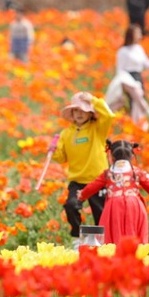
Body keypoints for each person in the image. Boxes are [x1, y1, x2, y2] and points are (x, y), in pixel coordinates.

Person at [52, 92, 115, 249]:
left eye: (83, 110)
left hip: (98, 180)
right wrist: (53, 150)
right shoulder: (66, 134)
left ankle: (102, 243)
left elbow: (109, 115)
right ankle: (77, 237)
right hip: (77, 181)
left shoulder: (98, 129)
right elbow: (61, 158)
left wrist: (93, 100)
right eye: (76, 111)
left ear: (90, 113)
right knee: (71, 206)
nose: (79, 114)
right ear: (71, 114)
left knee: (100, 212)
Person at [78, 140, 149, 244]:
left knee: (114, 236)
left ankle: (115, 257)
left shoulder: (108, 173)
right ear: (132, 157)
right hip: (134, 205)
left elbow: (92, 186)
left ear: (111, 156)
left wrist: (82, 195)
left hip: (114, 206)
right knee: (135, 235)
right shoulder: (136, 172)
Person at [116, 24, 149, 96]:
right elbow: (119, 69)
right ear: (131, 35)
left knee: (139, 98)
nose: (140, 35)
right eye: (138, 33)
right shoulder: (123, 51)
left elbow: (145, 62)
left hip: (138, 77)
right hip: (128, 78)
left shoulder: (139, 48)